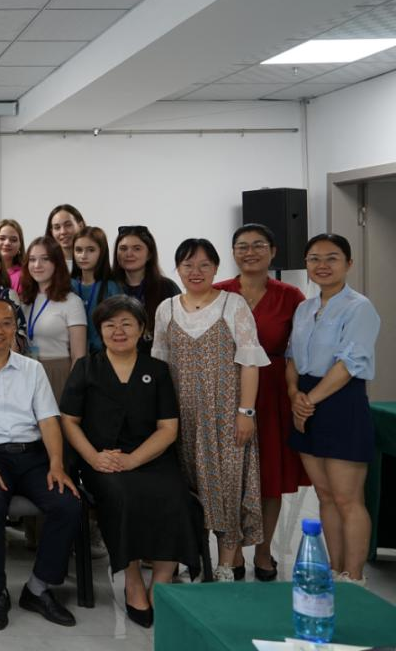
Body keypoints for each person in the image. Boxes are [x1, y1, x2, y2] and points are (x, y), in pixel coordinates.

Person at [60, 296, 200, 628]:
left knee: (177, 497)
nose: (118, 331)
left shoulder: (157, 370)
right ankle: (133, 578)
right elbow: (69, 421)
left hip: (150, 457)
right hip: (102, 461)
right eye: (110, 325)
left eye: (126, 323)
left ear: (141, 329)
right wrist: (94, 457)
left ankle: (162, 579)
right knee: (122, 497)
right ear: (100, 331)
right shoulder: (86, 368)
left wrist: (135, 459)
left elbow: (168, 428)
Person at [0, 296, 82, 629]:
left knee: (67, 504)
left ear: (15, 328)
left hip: (34, 456)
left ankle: (37, 588)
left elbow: (48, 421)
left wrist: (56, 464)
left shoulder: (32, 369)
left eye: (6, 323)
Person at [152, 238, 269, 581]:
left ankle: (226, 565)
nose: (196, 271)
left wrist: (246, 413)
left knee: (227, 487)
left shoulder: (233, 304)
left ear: (216, 268)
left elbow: (250, 362)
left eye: (204, 264)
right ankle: (194, 558)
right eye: (188, 265)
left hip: (226, 415)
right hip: (180, 418)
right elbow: (159, 366)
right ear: (177, 269)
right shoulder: (166, 309)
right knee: (187, 488)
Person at [215, 224, 308, 581]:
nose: (250, 252)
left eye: (258, 245)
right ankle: (233, 552)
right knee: (230, 476)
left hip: (272, 391)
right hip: (227, 391)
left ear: (273, 251)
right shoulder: (219, 292)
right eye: (242, 246)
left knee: (269, 476)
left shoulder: (290, 296)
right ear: (233, 252)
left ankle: (264, 551)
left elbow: (298, 350)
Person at [286, 233, 381, 585]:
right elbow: (291, 357)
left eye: (332, 258)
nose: (322, 265)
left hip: (341, 401)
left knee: (347, 498)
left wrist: (308, 401)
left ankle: (354, 577)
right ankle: (334, 571)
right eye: (314, 258)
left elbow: (348, 364)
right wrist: (294, 394)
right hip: (305, 400)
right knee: (325, 495)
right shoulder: (304, 307)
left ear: (348, 264)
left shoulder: (359, 307)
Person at [19, 237, 87, 397]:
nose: (37, 265)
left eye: (45, 259)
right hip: (25, 371)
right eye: (32, 260)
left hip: (57, 373)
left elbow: (79, 355)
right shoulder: (24, 300)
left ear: (57, 263)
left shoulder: (72, 301)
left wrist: (73, 390)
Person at [112, 225, 180, 354]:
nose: (129, 254)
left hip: (156, 360)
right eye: (123, 248)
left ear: (149, 254)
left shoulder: (167, 288)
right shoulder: (109, 287)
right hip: (116, 359)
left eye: (137, 249)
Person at [71, 226, 123, 353]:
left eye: (91, 250)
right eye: (78, 250)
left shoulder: (112, 287)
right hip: (72, 353)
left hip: (105, 354)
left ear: (102, 252)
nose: (83, 256)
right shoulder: (68, 285)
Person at [0, 218, 25, 293]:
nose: (7, 243)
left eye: (13, 240)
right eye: (2, 238)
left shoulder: (24, 276)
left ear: (20, 245)